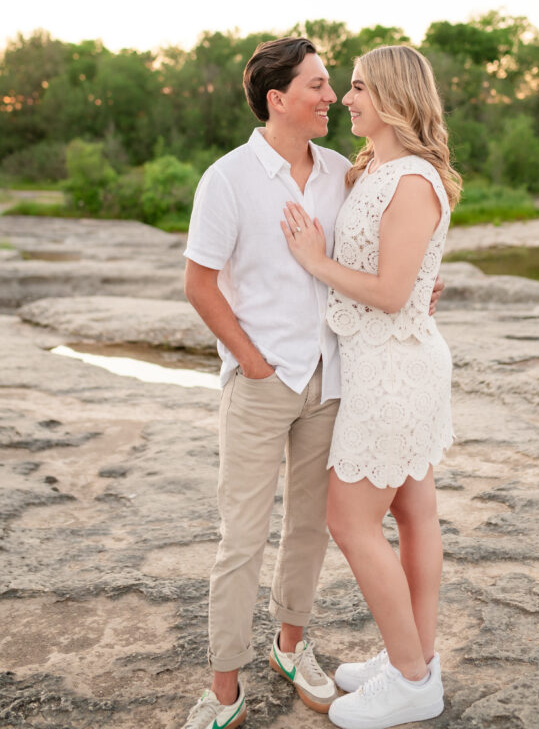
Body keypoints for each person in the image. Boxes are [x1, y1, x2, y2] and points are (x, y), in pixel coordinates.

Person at [179, 36, 444, 729]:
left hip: (334, 381)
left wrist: (417, 288)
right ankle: (223, 690)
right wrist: (251, 360)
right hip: (262, 381)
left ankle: (290, 649)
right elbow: (198, 285)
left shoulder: (340, 172)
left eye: (340, 86)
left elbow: (394, 245)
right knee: (241, 537)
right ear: (278, 98)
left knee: (309, 531)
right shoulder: (227, 178)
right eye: (320, 86)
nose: (332, 97)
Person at [280, 44, 462, 729]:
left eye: (356, 88)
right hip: (378, 361)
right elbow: (405, 278)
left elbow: (389, 292)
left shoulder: (411, 179)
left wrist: (314, 260)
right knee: (412, 514)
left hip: (393, 369)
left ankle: (413, 682)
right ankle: (410, 657)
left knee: (349, 521)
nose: (344, 99)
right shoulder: (374, 171)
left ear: (390, 97)